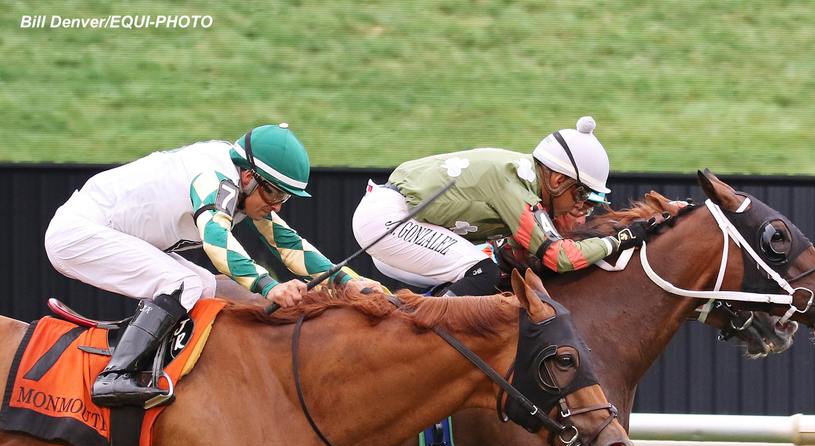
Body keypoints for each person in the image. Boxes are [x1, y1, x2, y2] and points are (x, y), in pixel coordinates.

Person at [45, 123, 356, 406]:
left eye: (285, 198)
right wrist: (269, 287)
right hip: (80, 232)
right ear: (248, 176)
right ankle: (115, 376)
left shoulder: (244, 183)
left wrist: (350, 283)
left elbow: (289, 244)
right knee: (186, 283)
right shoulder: (214, 178)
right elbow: (217, 242)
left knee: (207, 286)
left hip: (109, 229)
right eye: (273, 192)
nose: (276, 205)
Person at [351, 116, 649, 296]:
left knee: (495, 276)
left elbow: (512, 253)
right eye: (583, 195)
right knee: (484, 274)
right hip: (390, 221)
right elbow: (561, 258)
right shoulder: (515, 184)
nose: (584, 207)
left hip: (398, 224)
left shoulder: (525, 179)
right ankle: (420, 339)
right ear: (558, 180)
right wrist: (619, 240)